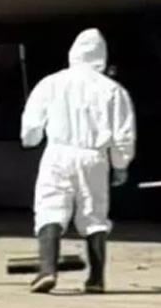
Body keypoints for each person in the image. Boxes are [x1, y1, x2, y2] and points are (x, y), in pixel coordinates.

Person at [20, 28, 136, 294]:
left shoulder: (51, 83)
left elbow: (31, 124)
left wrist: (31, 139)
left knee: (50, 208)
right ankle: (96, 278)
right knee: (94, 216)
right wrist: (120, 164)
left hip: (58, 154)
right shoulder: (113, 90)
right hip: (94, 157)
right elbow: (123, 133)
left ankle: (47, 270)